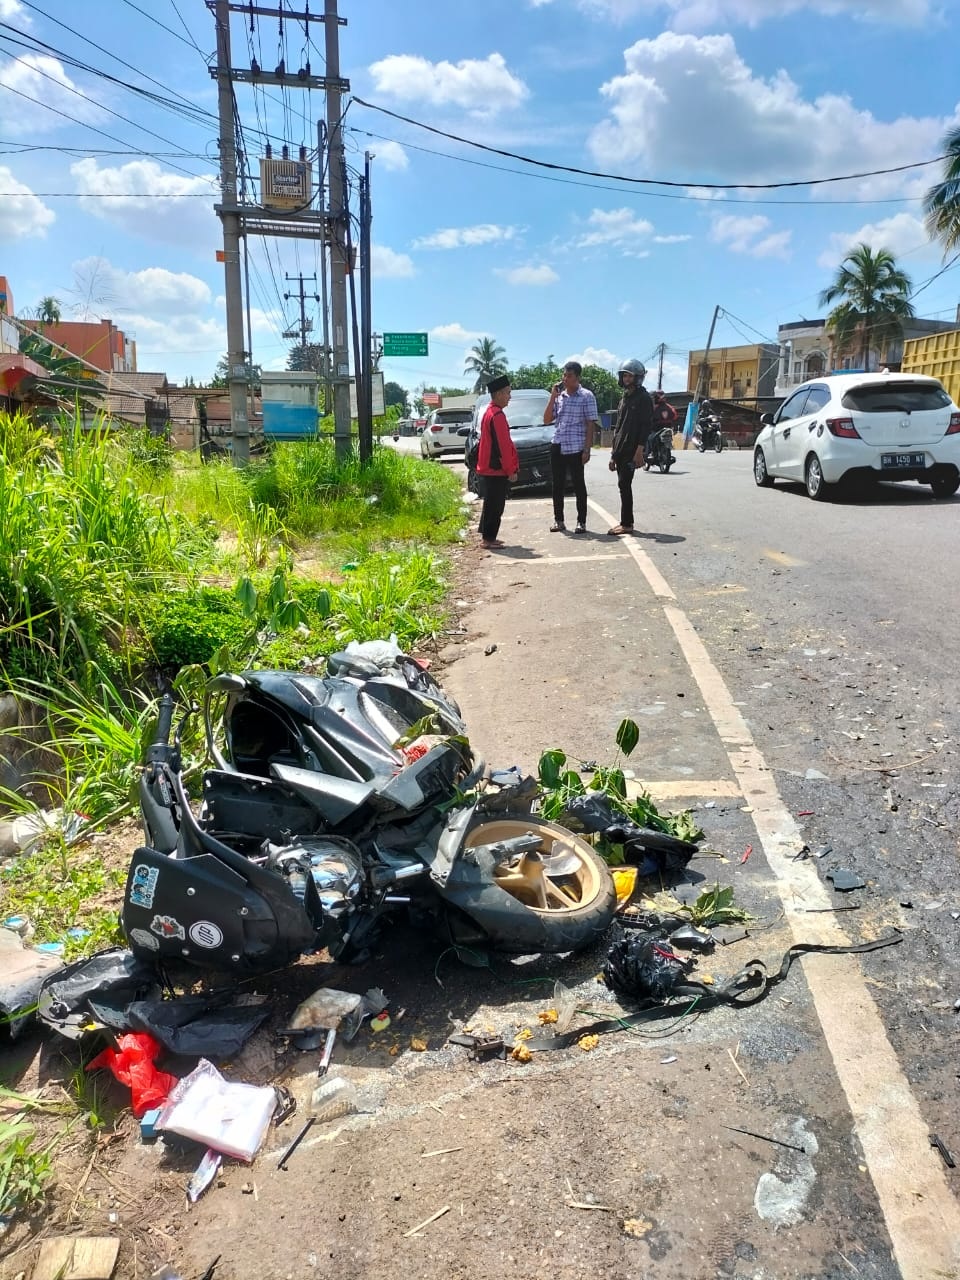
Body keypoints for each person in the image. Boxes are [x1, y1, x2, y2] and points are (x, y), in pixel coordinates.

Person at [544, 361, 599, 534]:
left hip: (576, 447)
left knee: (578, 485)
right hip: (558, 444)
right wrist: (552, 396)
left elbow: (591, 424)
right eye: (564, 375)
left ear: (577, 377)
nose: (565, 379)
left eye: (569, 376)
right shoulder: (560, 397)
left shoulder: (586, 396)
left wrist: (587, 449)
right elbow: (546, 419)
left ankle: (581, 522)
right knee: (557, 485)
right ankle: (559, 521)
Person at [607, 358, 653, 535]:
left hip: (633, 449)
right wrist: (613, 455)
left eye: (629, 376)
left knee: (624, 484)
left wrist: (639, 451)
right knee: (622, 485)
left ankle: (627, 523)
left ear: (638, 377)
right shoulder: (624, 398)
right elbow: (618, 426)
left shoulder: (644, 398)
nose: (626, 379)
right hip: (620, 448)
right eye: (624, 376)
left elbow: (645, 426)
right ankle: (626, 522)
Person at [476, 374, 519, 550]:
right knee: (495, 505)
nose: (510, 397)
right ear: (499, 394)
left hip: (488, 467)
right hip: (496, 469)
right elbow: (503, 447)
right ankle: (488, 539)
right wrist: (511, 470)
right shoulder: (497, 415)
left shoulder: (489, 412)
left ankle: (487, 536)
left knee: (490, 503)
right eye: (508, 393)